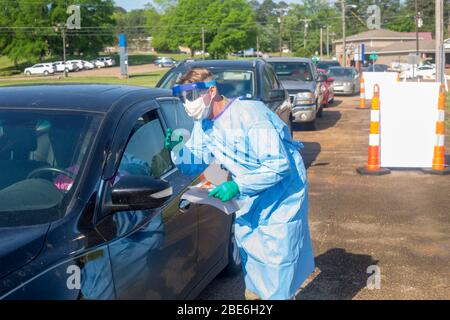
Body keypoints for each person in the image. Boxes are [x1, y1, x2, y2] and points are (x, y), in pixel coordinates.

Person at [166, 68, 315, 300]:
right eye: (183, 98)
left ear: (212, 90)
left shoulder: (251, 115)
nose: (188, 104)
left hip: (281, 197)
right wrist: (178, 150)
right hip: (250, 197)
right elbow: (194, 163)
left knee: (278, 264)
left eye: (192, 96)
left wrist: (237, 186)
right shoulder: (204, 124)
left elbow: (277, 165)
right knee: (253, 256)